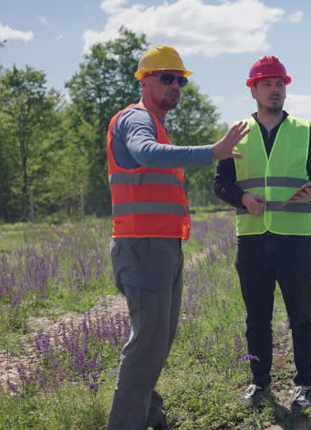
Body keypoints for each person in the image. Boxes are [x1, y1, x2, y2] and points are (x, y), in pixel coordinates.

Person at [106, 45, 249, 430]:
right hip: (143, 247)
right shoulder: (137, 119)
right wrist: (213, 151)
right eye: (167, 78)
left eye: (180, 80)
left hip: (162, 246)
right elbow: (147, 154)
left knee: (158, 341)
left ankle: (149, 415)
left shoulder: (156, 122)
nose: (176, 86)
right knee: (147, 345)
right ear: (145, 80)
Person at [213, 55, 311, 412]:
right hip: (251, 240)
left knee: (302, 317)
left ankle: (305, 385)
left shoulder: (305, 131)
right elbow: (221, 183)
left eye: (280, 84)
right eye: (267, 84)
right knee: (256, 318)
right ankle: (259, 383)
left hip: (295, 239)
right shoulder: (237, 133)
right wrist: (242, 197)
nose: (274, 90)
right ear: (253, 90)